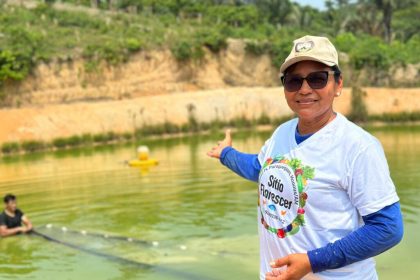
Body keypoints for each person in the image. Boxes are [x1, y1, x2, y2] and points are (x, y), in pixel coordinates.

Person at [207, 35, 403, 280]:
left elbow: (388, 229)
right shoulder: (282, 133)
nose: (305, 89)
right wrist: (226, 154)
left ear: (338, 84)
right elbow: (259, 169)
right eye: (293, 81)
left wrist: (311, 262)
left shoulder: (358, 147)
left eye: (317, 78)